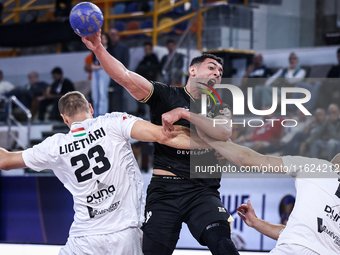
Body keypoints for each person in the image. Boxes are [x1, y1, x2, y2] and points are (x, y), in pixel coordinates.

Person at [79, 30, 239, 255]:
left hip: (203, 191)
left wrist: (184, 113)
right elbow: (124, 76)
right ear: (192, 70)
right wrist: (98, 48)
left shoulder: (220, 106)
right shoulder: (165, 95)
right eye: (212, 67)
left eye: (220, 71)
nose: (217, 73)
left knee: (223, 244)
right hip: (165, 190)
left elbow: (223, 132)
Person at [0, 91, 197, 255]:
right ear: (91, 108)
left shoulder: (53, 146)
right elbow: (163, 135)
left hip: (84, 237)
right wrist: (214, 142)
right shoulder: (113, 122)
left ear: (64, 118)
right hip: (124, 234)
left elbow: (6, 161)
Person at [196, 127, 340, 255]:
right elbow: (299, 235)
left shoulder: (318, 167)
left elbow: (246, 159)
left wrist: (210, 140)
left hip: (293, 249)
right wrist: (256, 222)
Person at [108, 28, 130, 112]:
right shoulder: (106, 48)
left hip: (119, 77)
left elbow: (126, 63)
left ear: (118, 36)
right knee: (107, 98)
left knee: (118, 98)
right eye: (111, 35)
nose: (113, 37)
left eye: (115, 35)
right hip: (107, 77)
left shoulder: (123, 48)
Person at [91, 32, 112, 117]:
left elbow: (108, 64)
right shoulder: (95, 49)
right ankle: (95, 115)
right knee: (95, 95)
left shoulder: (110, 50)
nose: (102, 40)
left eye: (104, 38)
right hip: (95, 72)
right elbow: (92, 65)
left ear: (107, 40)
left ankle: (103, 115)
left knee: (102, 93)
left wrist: (98, 67)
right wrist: (98, 67)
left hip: (104, 72)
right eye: (101, 38)